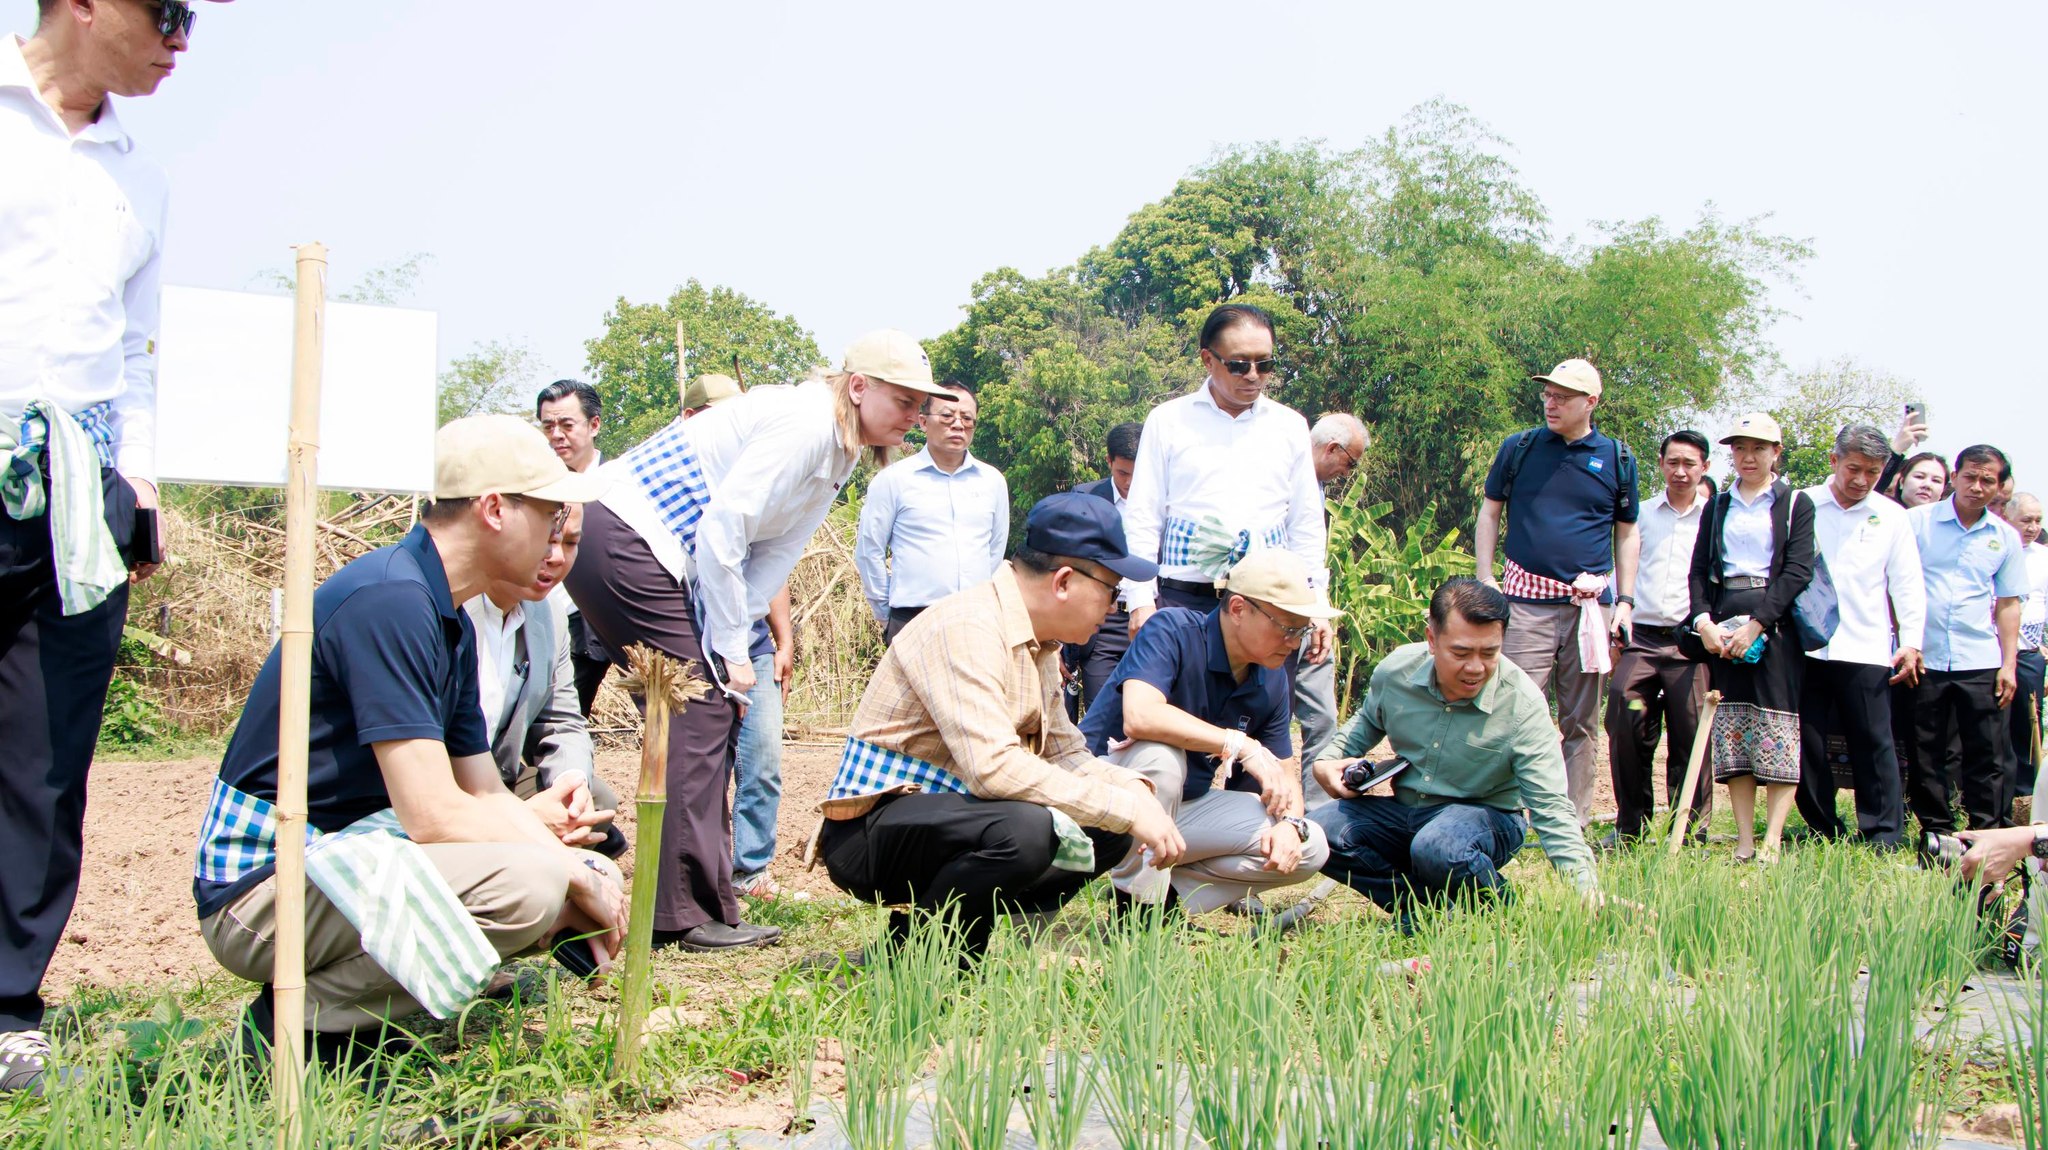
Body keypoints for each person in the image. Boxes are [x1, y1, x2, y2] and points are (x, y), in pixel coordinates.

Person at [194, 416, 620, 1064]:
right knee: (528, 884)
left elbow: (482, 790)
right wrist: (566, 876)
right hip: (261, 884)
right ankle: (294, 1029)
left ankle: (362, 1033)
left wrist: (589, 871)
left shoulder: (438, 610)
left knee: (551, 870)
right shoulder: (392, 601)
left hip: (340, 855)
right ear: (495, 509)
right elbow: (432, 813)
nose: (558, 535)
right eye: (547, 512)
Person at [0, 0, 232, 1094]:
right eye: (167, 11)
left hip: (76, 494)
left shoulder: (142, 179)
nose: (182, 38)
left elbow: (137, 353)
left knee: (44, 761)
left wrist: (136, 478)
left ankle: (9, 1004)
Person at [567, 330, 949, 951]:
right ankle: (678, 914)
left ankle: (708, 902)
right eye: (905, 401)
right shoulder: (806, 424)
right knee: (696, 706)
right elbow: (723, 529)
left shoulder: (841, 449)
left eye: (919, 404)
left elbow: (776, 553)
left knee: (707, 708)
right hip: (623, 536)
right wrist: (732, 654)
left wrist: (734, 643)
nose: (916, 415)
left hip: (653, 553)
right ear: (858, 387)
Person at [815, 494, 1186, 958]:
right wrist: (1124, 806)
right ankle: (925, 957)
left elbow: (1065, 754)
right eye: (1112, 591)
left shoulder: (1039, 643)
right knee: (1026, 832)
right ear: (1065, 581)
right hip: (873, 830)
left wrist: (1134, 794)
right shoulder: (969, 626)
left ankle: (936, 945)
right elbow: (993, 769)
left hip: (953, 816)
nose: (1114, 607)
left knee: (1109, 831)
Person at [1309, 578, 1599, 928]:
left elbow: (1551, 808)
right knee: (1320, 831)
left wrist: (1586, 891)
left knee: (1439, 845)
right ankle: (1421, 913)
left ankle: (1505, 916)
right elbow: (1358, 730)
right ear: (1432, 639)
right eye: (1461, 653)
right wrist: (1326, 765)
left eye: (1489, 653)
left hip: (1487, 818)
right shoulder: (1396, 673)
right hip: (1407, 813)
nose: (1476, 667)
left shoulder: (1522, 704)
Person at [1079, 549, 1335, 916]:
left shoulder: (1271, 677)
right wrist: (1238, 743)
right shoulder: (1171, 630)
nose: (1294, 643)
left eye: (1302, 630)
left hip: (1179, 810)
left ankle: (1167, 900)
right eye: (1286, 628)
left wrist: (1292, 825)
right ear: (1238, 609)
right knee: (1160, 759)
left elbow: (1284, 773)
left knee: (1313, 845)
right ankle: (1134, 912)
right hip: (1103, 802)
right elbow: (1140, 716)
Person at [1120, 304, 1330, 722]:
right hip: (1186, 602)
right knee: (1174, 725)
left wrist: (1317, 603)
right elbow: (1143, 516)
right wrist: (1140, 600)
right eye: (1238, 364)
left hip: (1269, 606)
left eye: (1265, 363)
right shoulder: (1168, 421)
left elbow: (1305, 523)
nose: (1253, 375)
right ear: (1207, 359)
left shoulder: (1289, 426)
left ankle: (1253, 789)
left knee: (1264, 726)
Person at [1474, 359, 1641, 827]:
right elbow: (1490, 513)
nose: (1552, 403)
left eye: (1563, 396)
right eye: (1548, 393)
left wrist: (1624, 602)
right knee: (1510, 711)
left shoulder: (1617, 458)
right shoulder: (1520, 448)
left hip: (1591, 609)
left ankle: (1573, 820)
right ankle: (1504, 815)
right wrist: (1487, 577)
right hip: (1525, 602)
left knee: (1582, 721)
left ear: (1591, 403)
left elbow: (1627, 534)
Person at [462, 504, 627, 859]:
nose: (556, 557)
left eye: (570, 543)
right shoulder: (455, 608)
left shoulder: (548, 617)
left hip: (501, 777)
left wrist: (569, 783)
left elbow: (562, 720)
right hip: (448, 786)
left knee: (594, 799)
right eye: (548, 540)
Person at [1688, 414, 1817, 862]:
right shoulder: (1718, 504)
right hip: (1725, 621)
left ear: (1776, 452)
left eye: (1758, 448)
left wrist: (1757, 624)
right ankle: (1744, 839)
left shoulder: (1795, 502)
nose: (1748, 457)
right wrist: (1704, 622)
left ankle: (1773, 840)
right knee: (1736, 730)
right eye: (1740, 448)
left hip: (1774, 626)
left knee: (1777, 727)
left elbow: (1798, 571)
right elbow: (1700, 570)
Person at [1793, 425, 1925, 849]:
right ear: (1834, 461)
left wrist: (1911, 641)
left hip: (1866, 645)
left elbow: (1906, 583)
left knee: (1873, 742)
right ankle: (1822, 827)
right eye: (1853, 468)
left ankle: (1883, 833)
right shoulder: (1801, 504)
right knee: (1807, 742)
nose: (1861, 480)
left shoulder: (1892, 516)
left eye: (1872, 471)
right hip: (1806, 645)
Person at [1907, 445, 2029, 838]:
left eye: (1987, 480)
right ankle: (1937, 833)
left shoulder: (2005, 538)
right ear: (1954, 476)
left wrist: (2008, 664)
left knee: (1988, 753)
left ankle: (1987, 833)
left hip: (1980, 658)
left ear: (2000, 486)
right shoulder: (1917, 523)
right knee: (1926, 750)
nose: (1977, 487)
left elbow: (2009, 603)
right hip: (1924, 656)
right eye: (1970, 477)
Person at [1603, 431, 1714, 846]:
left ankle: (1689, 832)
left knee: (1692, 734)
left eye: (1690, 464)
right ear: (1662, 463)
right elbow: (1620, 569)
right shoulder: (1641, 515)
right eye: (1673, 462)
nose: (1681, 471)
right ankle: (1630, 826)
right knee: (1626, 716)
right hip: (1643, 642)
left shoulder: (1714, 517)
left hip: (1692, 645)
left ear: (1704, 466)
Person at [855, 382, 1009, 644]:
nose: (958, 424)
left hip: (976, 622)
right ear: (923, 422)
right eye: (947, 416)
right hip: (912, 620)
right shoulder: (893, 480)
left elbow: (994, 551)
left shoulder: (992, 481)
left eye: (967, 418)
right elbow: (870, 550)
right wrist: (887, 614)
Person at [1296, 412, 1368, 788]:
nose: (1349, 472)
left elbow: (1313, 559)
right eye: (1350, 462)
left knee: (1322, 718)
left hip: (1312, 616)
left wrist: (1319, 611)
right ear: (1332, 448)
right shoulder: (1280, 478)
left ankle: (1320, 814)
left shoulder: (1320, 488)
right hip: (1273, 616)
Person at [535, 379, 613, 718]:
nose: (556, 435)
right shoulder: (534, 486)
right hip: (542, 613)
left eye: (567, 425)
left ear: (594, 425)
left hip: (599, 621)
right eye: (548, 425)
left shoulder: (618, 483)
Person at [1064, 421, 1143, 719]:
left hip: (1151, 618)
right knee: (1102, 718)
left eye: (1139, 473)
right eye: (1123, 472)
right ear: (1108, 461)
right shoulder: (1086, 499)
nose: (1130, 482)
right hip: (1102, 626)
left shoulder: (1168, 503)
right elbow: (1069, 565)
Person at [2010, 493, 2048, 800]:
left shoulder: (2043, 558)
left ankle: (2026, 799)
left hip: (2029, 656)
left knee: (2028, 727)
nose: (2033, 527)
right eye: (2026, 520)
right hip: (1990, 656)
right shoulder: (1996, 548)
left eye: (2038, 520)